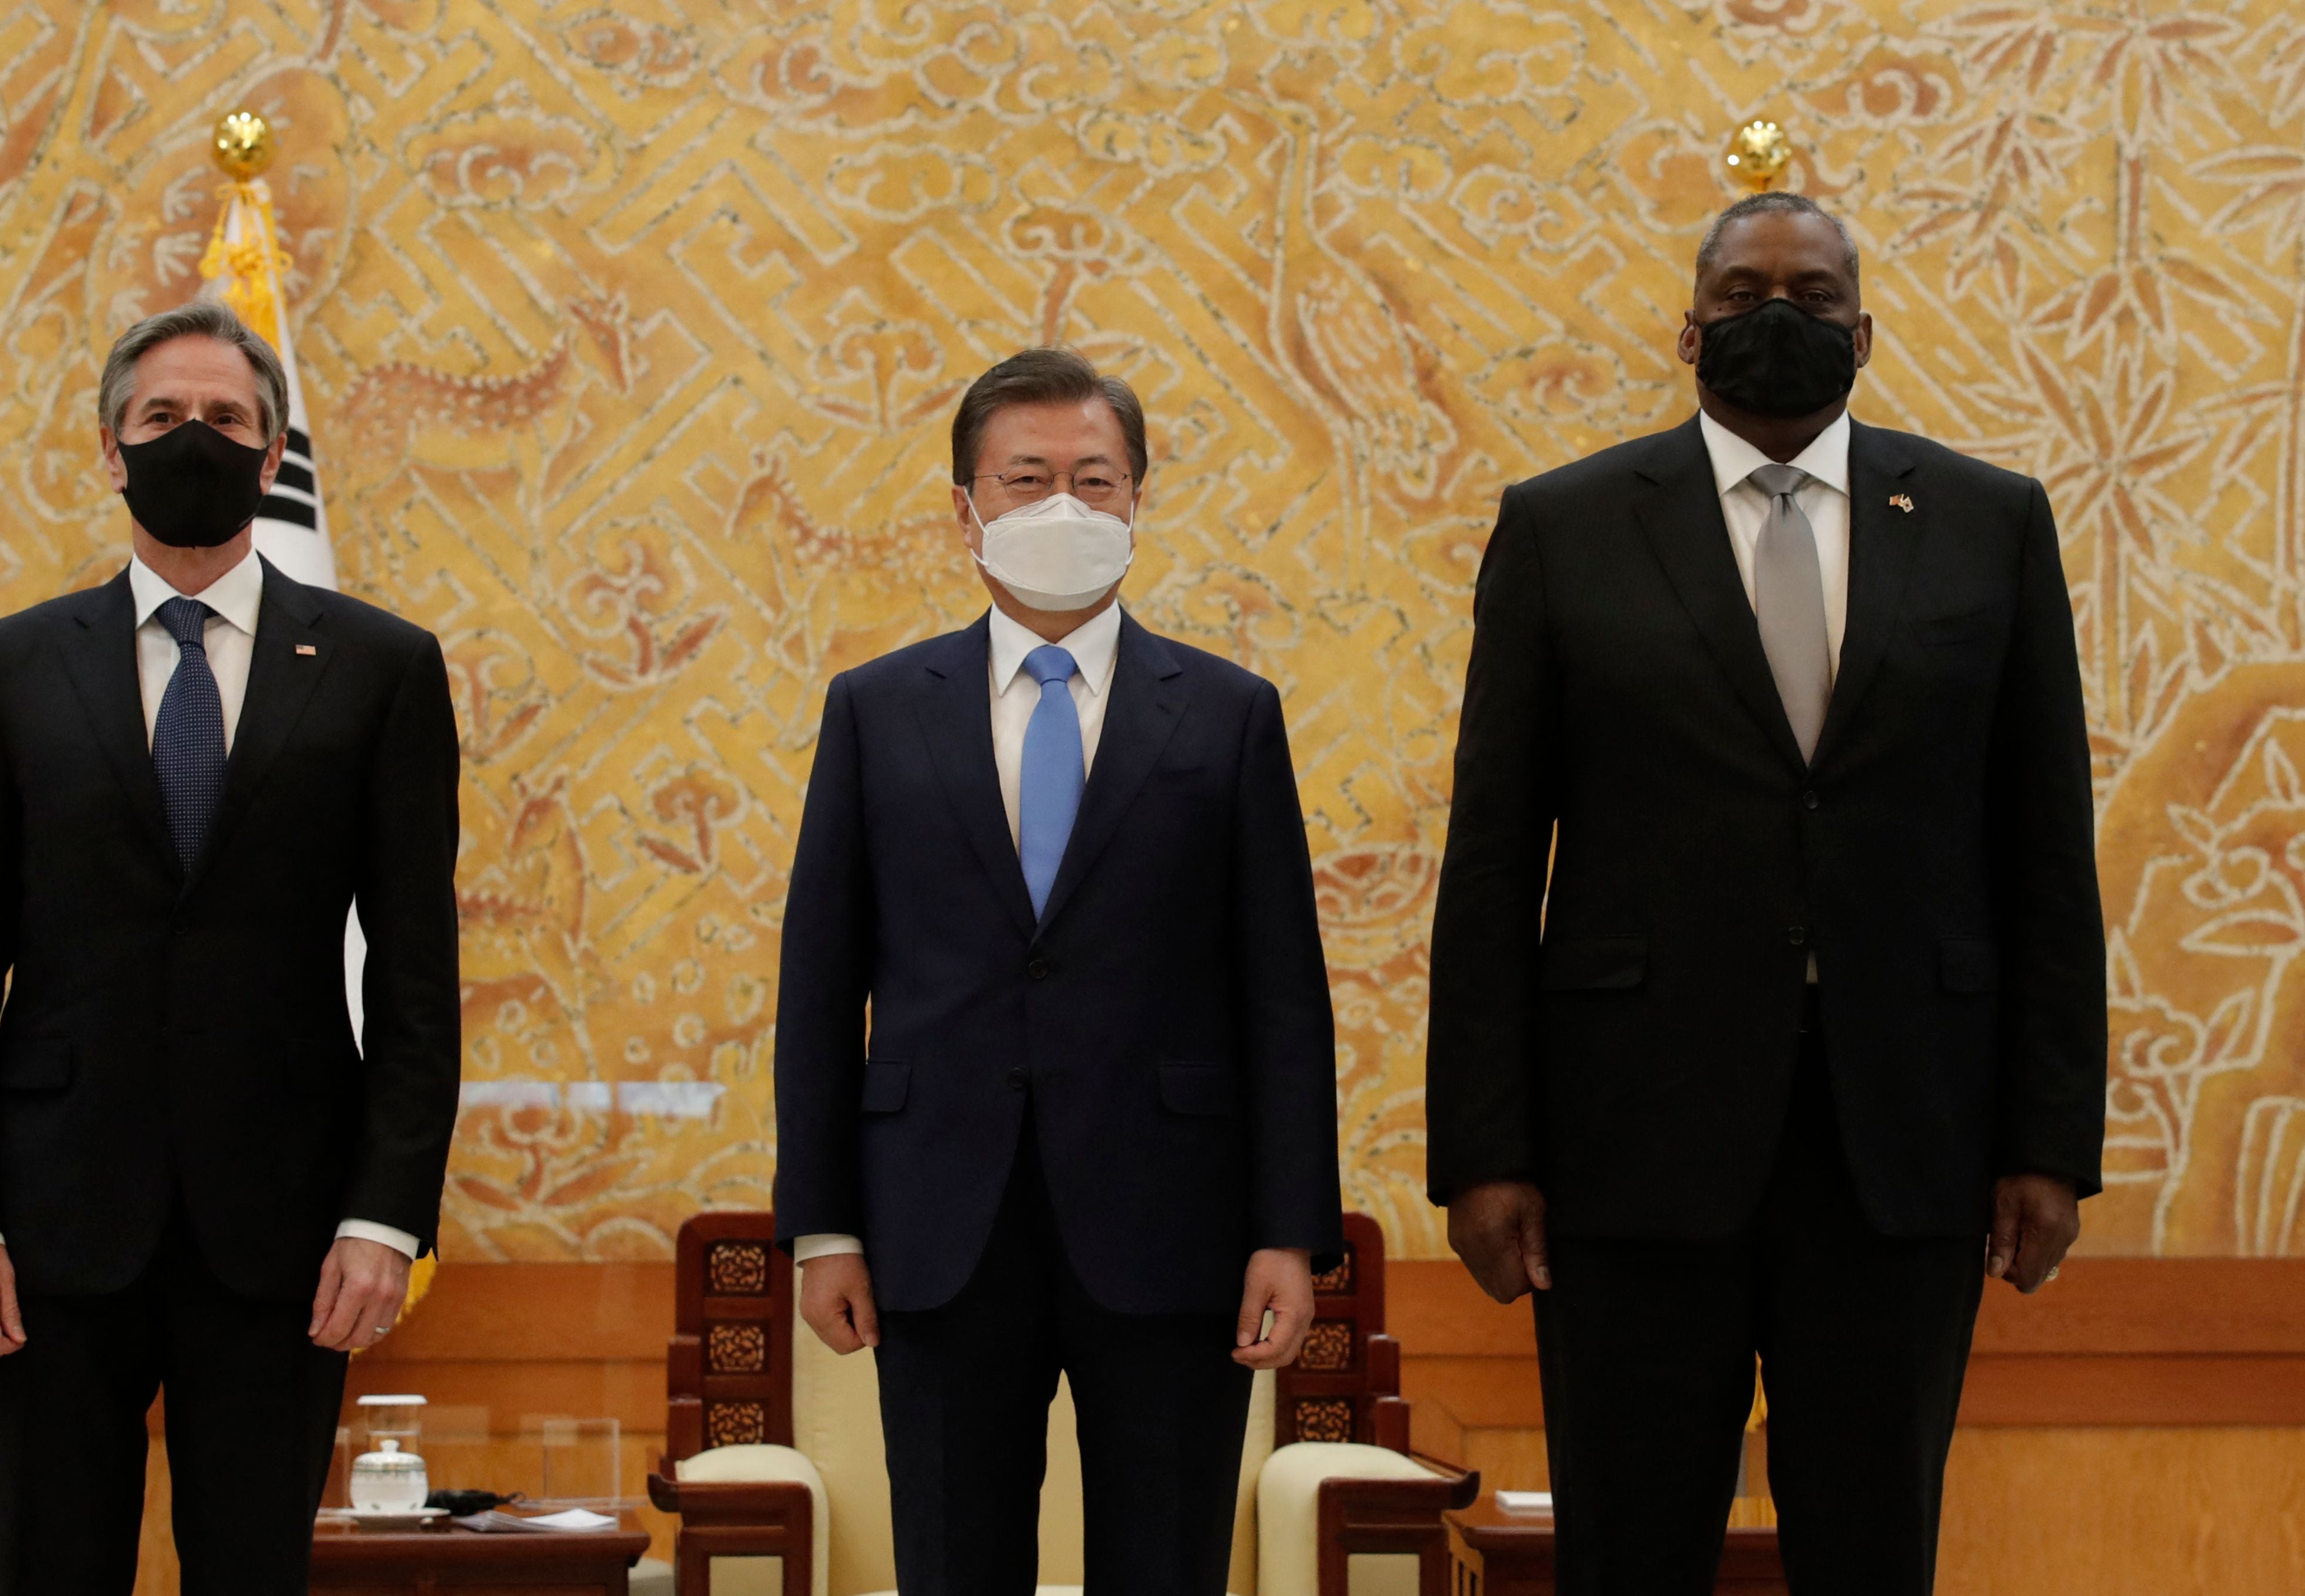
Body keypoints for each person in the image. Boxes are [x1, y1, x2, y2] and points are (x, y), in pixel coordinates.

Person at [1426, 193, 2105, 1595]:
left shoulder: (1988, 522)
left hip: (1902, 1139)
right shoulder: (1564, 527)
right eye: (1741, 295)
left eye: (1808, 293)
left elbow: (2043, 847)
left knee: (1870, 1546)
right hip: (1630, 1141)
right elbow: (1493, 859)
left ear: (1863, 330)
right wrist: (1483, 1151)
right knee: (1631, 1544)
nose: (1774, 318)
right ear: (1687, 329)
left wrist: (2049, 1138)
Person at [0, 301, 462, 1595]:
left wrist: (387, 1215)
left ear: (273, 459)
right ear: (110, 449)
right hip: (44, 1233)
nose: (190, 440)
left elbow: (418, 977)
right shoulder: (10, 667)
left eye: (224, 420)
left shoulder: (381, 667)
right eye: (162, 419)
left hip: (286, 1233)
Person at [774, 347, 1344, 1595]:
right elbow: (820, 985)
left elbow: (1282, 995)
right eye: (1025, 480)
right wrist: (822, 1224)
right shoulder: (876, 710)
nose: (1062, 510)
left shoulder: (1227, 712)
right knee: (952, 1560)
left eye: (1094, 479)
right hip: (936, 1220)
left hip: (1172, 1221)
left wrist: (1288, 1232)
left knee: (1166, 1560)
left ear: (1138, 498)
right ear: (964, 509)